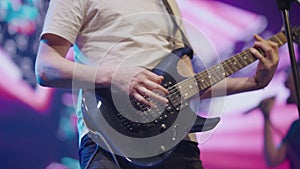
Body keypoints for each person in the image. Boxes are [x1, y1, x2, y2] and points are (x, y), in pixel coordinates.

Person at [35, 0, 279, 168]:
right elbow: (46, 68)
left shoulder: (168, 4)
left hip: (177, 140)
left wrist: (253, 82)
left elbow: (182, 89)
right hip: (110, 139)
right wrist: (114, 76)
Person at [259, 63, 300, 169]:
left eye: (288, 81)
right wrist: (266, 117)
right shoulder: (296, 126)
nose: (285, 85)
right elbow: (273, 159)